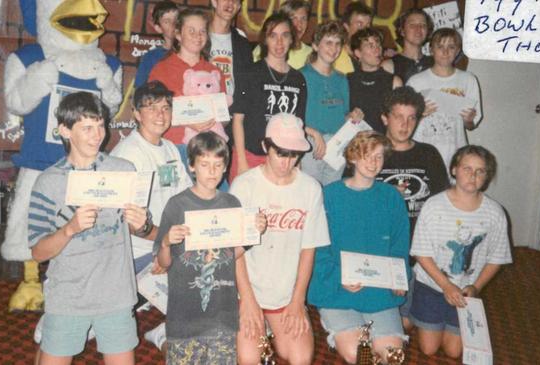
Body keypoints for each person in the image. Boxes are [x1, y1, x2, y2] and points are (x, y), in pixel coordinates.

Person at [29, 92, 148, 365]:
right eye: (87, 128)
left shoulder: (123, 170)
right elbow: (38, 252)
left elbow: (141, 228)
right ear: (64, 130)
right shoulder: (48, 183)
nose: (97, 136)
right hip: (68, 297)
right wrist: (69, 229)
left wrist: (142, 224)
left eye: (101, 126)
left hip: (116, 296)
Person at [153, 131, 267, 364]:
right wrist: (165, 242)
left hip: (222, 316)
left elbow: (229, 256)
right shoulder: (177, 205)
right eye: (204, 164)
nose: (212, 171)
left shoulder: (231, 204)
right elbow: (164, 263)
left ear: (226, 167)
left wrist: (253, 234)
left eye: (218, 164)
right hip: (184, 317)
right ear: (191, 166)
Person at [230, 113, 331, 365]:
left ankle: (273, 328)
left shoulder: (310, 188)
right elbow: (234, 253)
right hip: (248, 291)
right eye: (280, 153)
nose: (287, 162)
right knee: (249, 359)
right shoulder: (244, 185)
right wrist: (248, 302)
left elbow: (308, 250)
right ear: (265, 146)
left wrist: (297, 301)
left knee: (299, 358)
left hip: (285, 295)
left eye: (294, 154)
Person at [308, 131, 410, 364]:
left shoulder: (391, 197)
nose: (373, 163)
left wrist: (398, 277)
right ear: (352, 157)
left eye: (379, 157)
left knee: (392, 356)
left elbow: (399, 245)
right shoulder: (329, 195)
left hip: (379, 289)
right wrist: (338, 278)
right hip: (338, 289)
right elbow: (318, 249)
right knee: (359, 355)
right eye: (366, 156)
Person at [110, 81, 193, 350]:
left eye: (166, 108)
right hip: (132, 255)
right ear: (136, 113)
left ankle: (161, 332)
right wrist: (165, 245)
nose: (160, 115)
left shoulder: (169, 149)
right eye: (152, 108)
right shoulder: (128, 155)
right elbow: (131, 225)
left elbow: (184, 200)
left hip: (165, 245)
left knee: (206, 298)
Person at [410, 145, 512, 359]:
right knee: (428, 348)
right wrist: (446, 285)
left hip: (466, 291)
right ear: (454, 170)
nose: (473, 176)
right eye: (467, 168)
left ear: (487, 176)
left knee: (454, 351)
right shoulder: (434, 205)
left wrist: (475, 287)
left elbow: (496, 258)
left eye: (480, 171)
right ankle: (409, 308)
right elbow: (421, 253)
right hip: (431, 284)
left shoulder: (495, 213)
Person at [374, 86, 449, 330]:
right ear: (385, 118)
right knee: (396, 323)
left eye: (411, 118)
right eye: (398, 117)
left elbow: (443, 205)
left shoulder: (428, 154)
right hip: (380, 245)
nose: (405, 125)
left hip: (420, 250)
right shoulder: (371, 153)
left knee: (405, 324)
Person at [230, 13, 308, 182]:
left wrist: (297, 162)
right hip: (251, 156)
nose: (279, 42)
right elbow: (238, 120)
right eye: (273, 36)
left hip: (284, 160)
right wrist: (242, 162)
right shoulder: (251, 72)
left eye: (285, 35)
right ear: (265, 40)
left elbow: (300, 124)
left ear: (291, 40)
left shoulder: (298, 79)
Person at [149, 8, 228, 165]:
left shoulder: (214, 71)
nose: (198, 36)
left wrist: (212, 121)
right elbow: (153, 112)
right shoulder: (161, 69)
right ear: (178, 34)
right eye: (191, 31)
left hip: (208, 153)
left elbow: (223, 117)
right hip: (173, 149)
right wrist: (189, 120)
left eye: (202, 31)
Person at [408, 27, 482, 171]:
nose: (445, 52)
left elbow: (471, 125)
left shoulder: (468, 80)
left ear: (458, 51)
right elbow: (404, 120)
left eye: (451, 47)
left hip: (455, 151)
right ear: (431, 50)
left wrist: (468, 119)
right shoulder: (416, 81)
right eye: (440, 46)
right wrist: (420, 114)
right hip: (423, 150)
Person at [300, 20, 363, 185]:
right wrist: (313, 133)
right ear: (315, 45)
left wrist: (353, 116)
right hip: (312, 143)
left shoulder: (342, 79)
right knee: (311, 193)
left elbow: (343, 115)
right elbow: (294, 117)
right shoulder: (301, 76)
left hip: (337, 145)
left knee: (331, 193)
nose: (333, 48)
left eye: (337, 44)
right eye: (328, 42)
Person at [348, 28, 403, 134]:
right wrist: (348, 116)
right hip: (355, 143)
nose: (377, 49)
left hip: (384, 143)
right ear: (358, 53)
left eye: (378, 45)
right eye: (370, 46)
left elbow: (400, 118)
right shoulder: (347, 80)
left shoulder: (394, 81)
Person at [209, 0, 254, 100]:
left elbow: (246, 84)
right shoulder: (199, 37)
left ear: (238, 7)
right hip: (204, 107)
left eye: (235, 0)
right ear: (214, 2)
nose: (230, 3)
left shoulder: (242, 42)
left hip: (232, 109)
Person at [253, 0, 313, 69]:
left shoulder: (312, 54)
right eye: (293, 18)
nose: (299, 24)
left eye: (303, 18)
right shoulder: (265, 49)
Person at [381, 8, 434, 84]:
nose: (418, 29)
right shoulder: (389, 66)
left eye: (423, 25)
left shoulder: (435, 63)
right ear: (402, 31)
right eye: (412, 25)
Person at [133, 1, 179, 88]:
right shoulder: (151, 57)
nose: (173, 24)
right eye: (167, 21)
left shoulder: (192, 52)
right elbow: (140, 90)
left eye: (176, 19)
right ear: (158, 28)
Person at [333, 1, 373, 74]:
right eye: (359, 24)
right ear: (346, 26)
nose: (365, 30)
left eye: (368, 25)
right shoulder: (336, 56)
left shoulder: (371, 55)